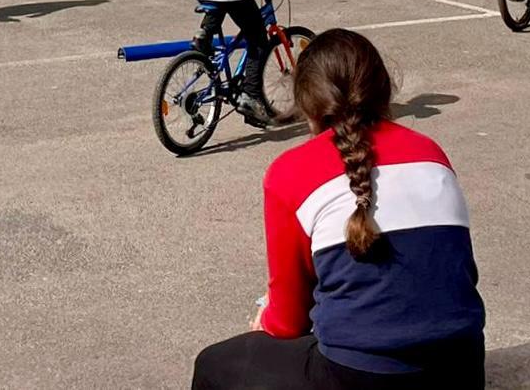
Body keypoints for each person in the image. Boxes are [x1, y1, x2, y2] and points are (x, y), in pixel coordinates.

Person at [192, 29, 486, 389]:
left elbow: (287, 323)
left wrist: (265, 318)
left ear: (306, 103)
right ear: (383, 89)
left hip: (359, 375)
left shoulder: (289, 172)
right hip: (462, 369)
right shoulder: (431, 152)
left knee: (213, 364)